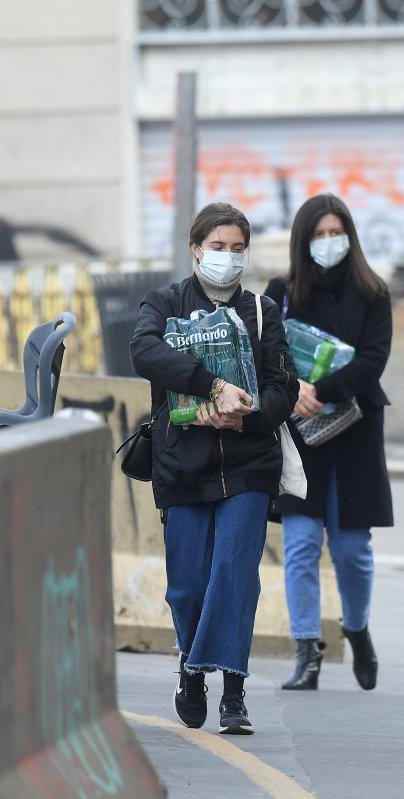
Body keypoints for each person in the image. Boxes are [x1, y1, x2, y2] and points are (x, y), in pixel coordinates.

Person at [130, 201, 299, 735]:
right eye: (218, 247)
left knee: (233, 574)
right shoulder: (164, 303)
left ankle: (233, 690)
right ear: (196, 248)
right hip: (182, 463)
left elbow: (283, 387)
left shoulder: (261, 311)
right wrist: (212, 386)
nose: (227, 258)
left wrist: (244, 418)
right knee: (187, 586)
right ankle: (192, 670)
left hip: (248, 465)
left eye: (237, 249)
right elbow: (143, 352)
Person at [265, 193, 394, 692]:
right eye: (317, 235)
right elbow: (268, 351)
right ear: (303, 241)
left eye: (335, 233)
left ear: (349, 236)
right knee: (299, 544)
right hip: (301, 430)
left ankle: (357, 630)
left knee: (351, 548)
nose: (327, 243)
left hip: (356, 427)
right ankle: (306, 652)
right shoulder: (282, 291)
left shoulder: (372, 292)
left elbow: (373, 359)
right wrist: (295, 390)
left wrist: (323, 391)